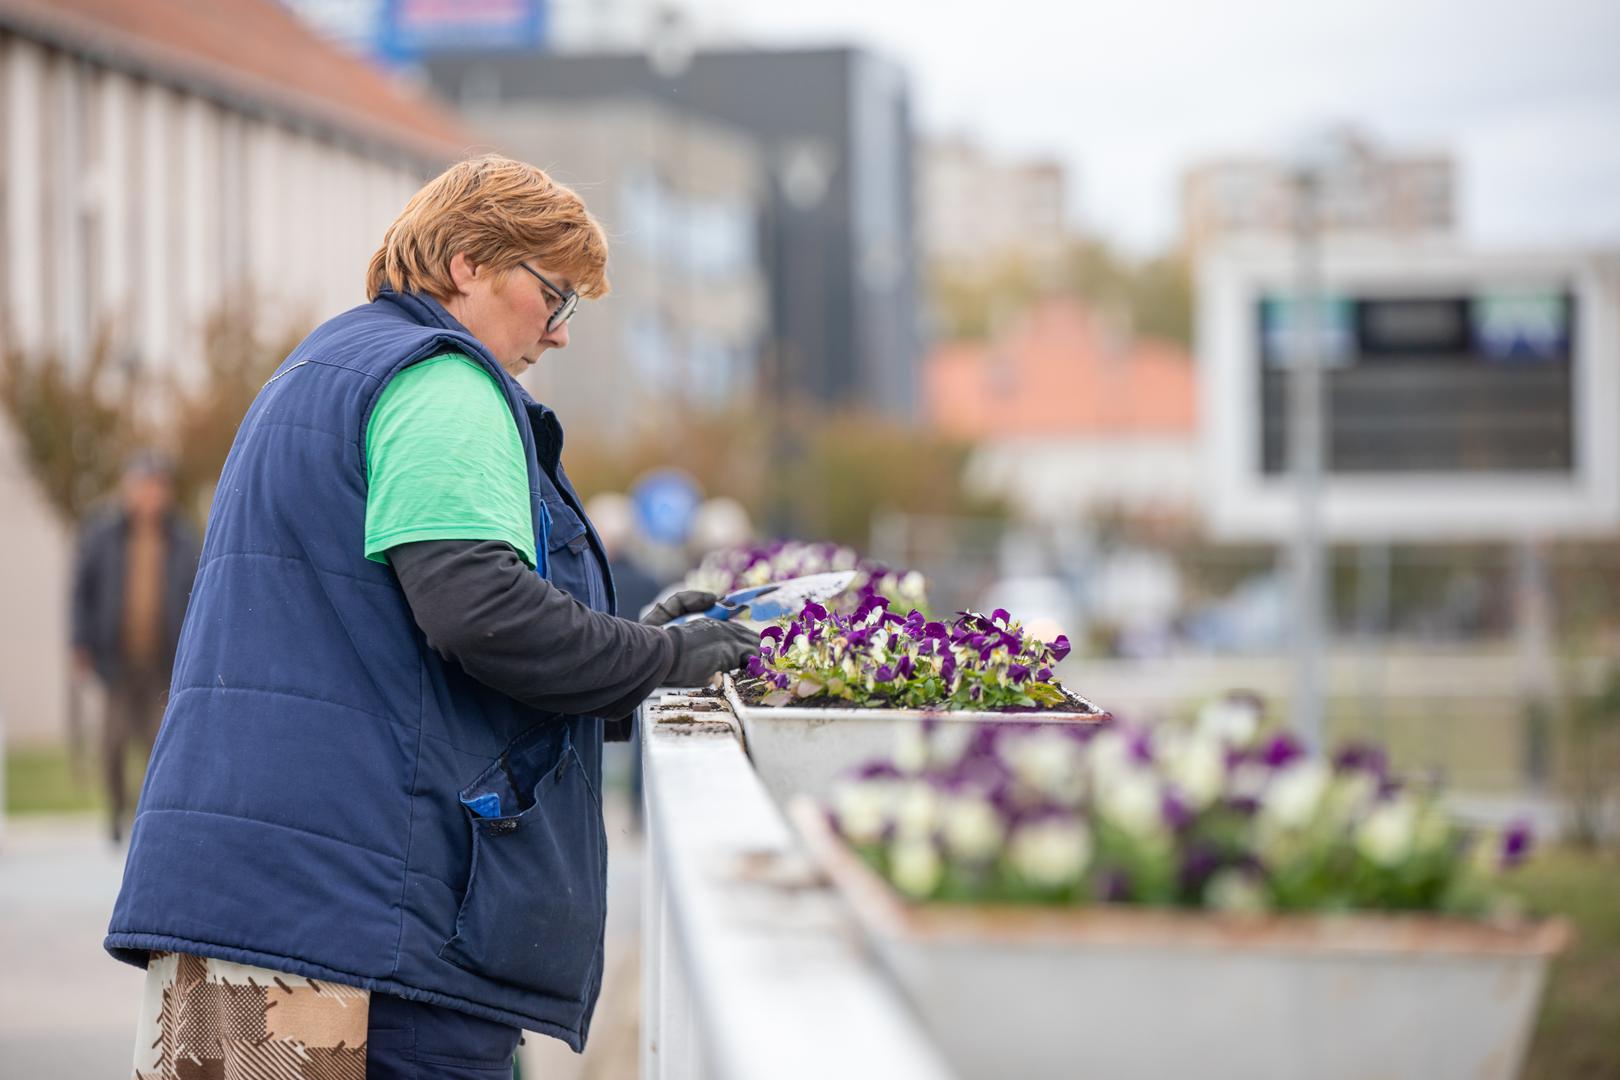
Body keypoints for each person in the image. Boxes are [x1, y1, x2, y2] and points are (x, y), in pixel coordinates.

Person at [105, 155, 758, 1080]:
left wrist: (635, 645)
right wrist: (671, 658)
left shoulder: (322, 366)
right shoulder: (442, 383)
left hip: (253, 905)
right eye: (555, 298)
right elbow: (482, 615)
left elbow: (406, 656)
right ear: (468, 264)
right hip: (362, 937)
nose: (561, 334)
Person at [69, 451, 201, 844]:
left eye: (157, 486)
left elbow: (198, 594)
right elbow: (81, 591)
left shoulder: (182, 540)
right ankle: (115, 811)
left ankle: (152, 815)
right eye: (142, 486)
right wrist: (80, 642)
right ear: (129, 489)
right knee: (112, 742)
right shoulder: (103, 535)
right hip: (117, 659)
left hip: (164, 659)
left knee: (159, 742)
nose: (149, 495)